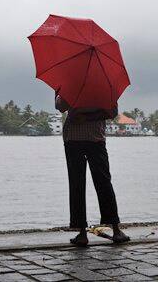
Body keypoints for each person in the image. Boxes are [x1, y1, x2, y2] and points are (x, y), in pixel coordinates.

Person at [56, 92, 130, 246]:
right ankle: (115, 230)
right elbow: (112, 112)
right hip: (93, 138)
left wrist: (83, 115)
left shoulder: (68, 84)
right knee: (103, 183)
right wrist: (91, 115)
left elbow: (60, 106)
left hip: (76, 138)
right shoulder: (104, 85)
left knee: (79, 184)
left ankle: (83, 233)